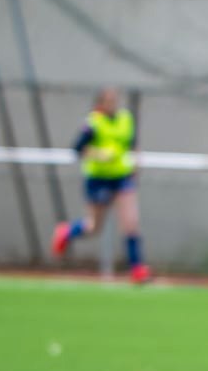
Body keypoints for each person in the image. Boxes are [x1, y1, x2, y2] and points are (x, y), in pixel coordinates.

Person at [51, 87, 151, 284]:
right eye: (109, 100)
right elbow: (77, 149)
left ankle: (137, 269)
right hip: (98, 178)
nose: (113, 103)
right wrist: (99, 154)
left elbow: (132, 144)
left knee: (131, 223)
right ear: (100, 103)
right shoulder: (93, 122)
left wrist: (136, 165)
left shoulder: (125, 119)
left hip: (121, 177)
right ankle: (66, 232)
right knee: (94, 226)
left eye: (115, 99)